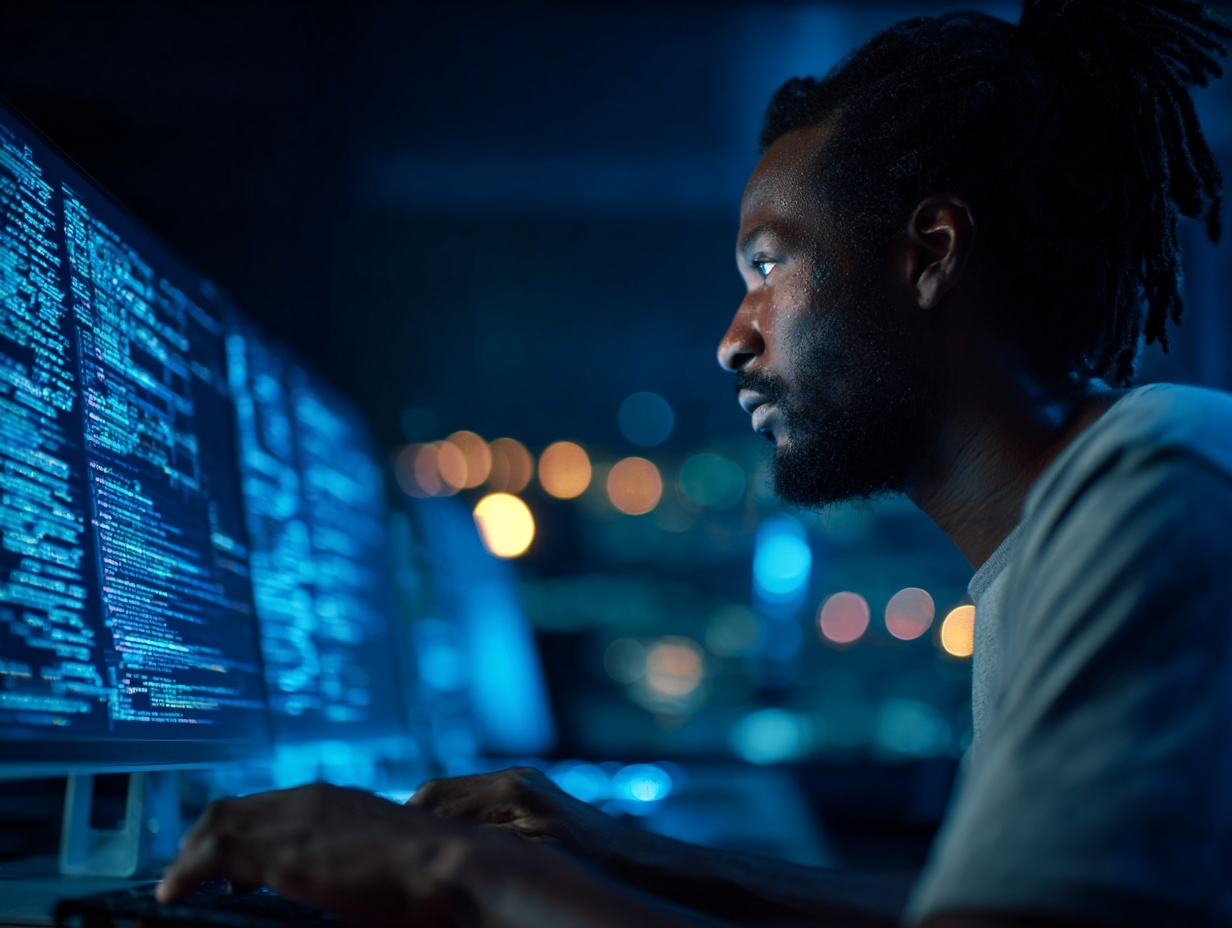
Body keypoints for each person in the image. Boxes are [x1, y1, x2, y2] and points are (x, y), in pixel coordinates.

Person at [157, 1, 1232, 925]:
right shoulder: (1080, 521)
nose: (733, 338)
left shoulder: (1147, 491)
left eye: (768, 264)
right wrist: (622, 850)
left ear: (930, 256)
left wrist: (456, 869)